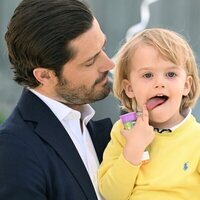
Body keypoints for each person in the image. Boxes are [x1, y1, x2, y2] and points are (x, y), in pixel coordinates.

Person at [0, 0, 115, 199]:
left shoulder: (100, 130)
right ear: (44, 76)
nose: (109, 63)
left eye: (103, 47)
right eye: (90, 61)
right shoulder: (14, 150)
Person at [98, 28, 200, 200]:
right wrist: (134, 147)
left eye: (170, 74)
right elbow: (111, 194)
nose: (159, 83)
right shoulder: (123, 132)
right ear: (129, 88)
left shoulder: (196, 137)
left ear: (186, 85)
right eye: (147, 75)